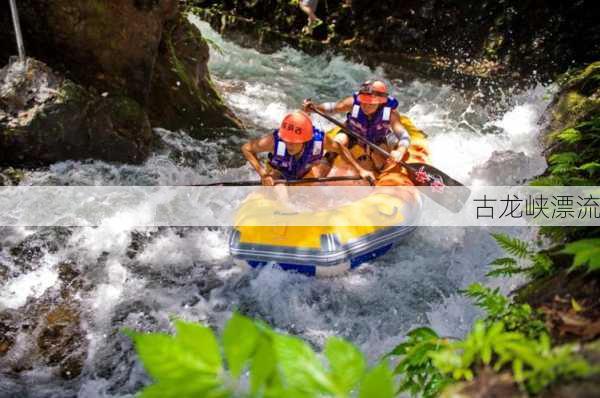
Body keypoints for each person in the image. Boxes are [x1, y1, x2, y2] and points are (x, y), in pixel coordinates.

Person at [303, 80, 417, 172]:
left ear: (381, 102)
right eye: (363, 101)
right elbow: (333, 107)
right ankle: (324, 167)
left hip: (376, 139)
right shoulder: (353, 103)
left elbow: (404, 135)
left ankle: (374, 174)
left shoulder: (391, 113)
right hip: (352, 133)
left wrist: (400, 151)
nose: (365, 106)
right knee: (338, 141)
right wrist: (315, 107)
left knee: (380, 161)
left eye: (370, 103)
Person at [242, 111, 375, 186]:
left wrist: (361, 170)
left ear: (306, 140)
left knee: (321, 175)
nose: (289, 145)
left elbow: (340, 148)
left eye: (294, 142)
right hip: (279, 173)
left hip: (305, 169)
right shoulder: (274, 140)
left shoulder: (319, 139)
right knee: (278, 184)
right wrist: (263, 173)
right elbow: (246, 148)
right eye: (287, 141)